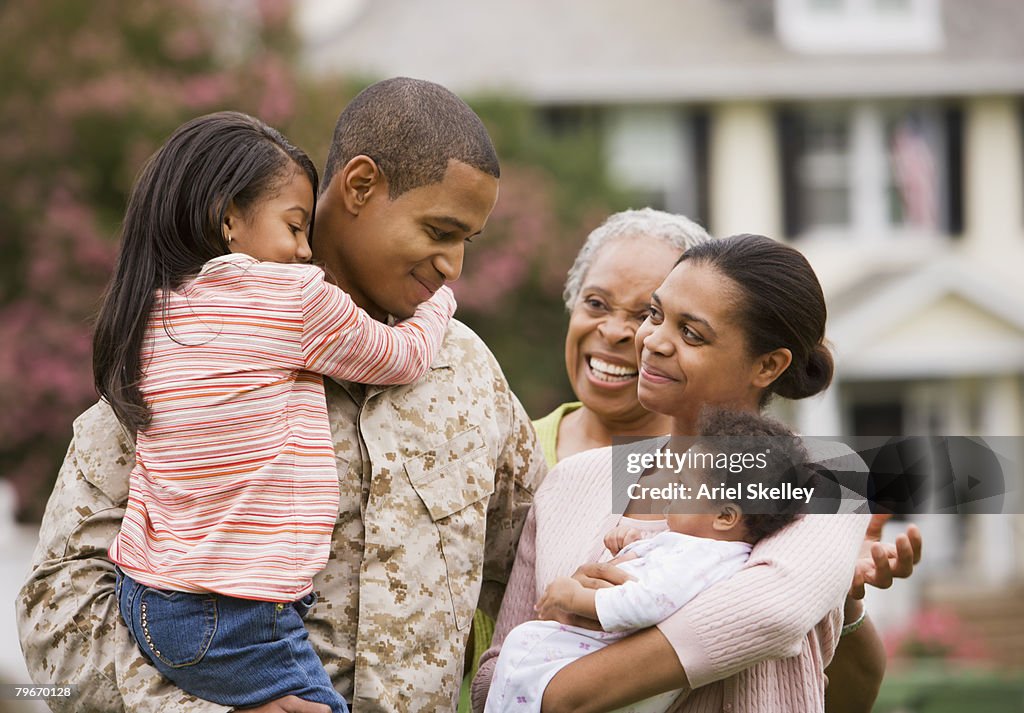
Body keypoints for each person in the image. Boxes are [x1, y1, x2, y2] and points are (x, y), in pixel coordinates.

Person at [18, 77, 547, 713]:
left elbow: (530, 567)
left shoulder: (468, 371)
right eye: (439, 231)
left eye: (468, 242)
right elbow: (57, 606)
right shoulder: (193, 344)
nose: (454, 267)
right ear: (358, 186)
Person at [474, 210, 922, 713]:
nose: (653, 341)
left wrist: (580, 652)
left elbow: (770, 614)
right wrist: (564, 622)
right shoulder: (571, 482)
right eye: (657, 315)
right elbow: (492, 674)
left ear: (768, 365)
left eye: (692, 334)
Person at [95, 111, 466, 713]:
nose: (304, 251)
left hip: (150, 601)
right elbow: (401, 356)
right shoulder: (293, 297)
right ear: (226, 219)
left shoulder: (153, 316)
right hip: (237, 615)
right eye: (294, 228)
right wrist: (441, 304)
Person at [485, 408, 814, 713]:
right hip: (607, 667)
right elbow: (656, 577)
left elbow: (646, 602)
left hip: (609, 667)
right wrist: (628, 550)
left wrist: (576, 598)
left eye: (684, 486)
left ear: (726, 516)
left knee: (523, 652)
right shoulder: (699, 546)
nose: (669, 490)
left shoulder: (706, 556)